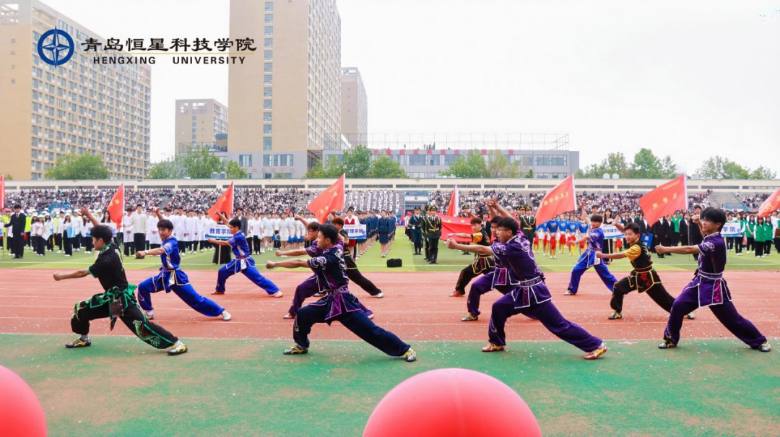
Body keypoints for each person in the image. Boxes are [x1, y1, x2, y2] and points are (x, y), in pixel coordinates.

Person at [445, 202, 607, 360]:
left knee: (559, 325)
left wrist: (457, 246)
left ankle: (596, 345)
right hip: (522, 290)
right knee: (499, 307)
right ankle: (496, 342)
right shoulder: (519, 237)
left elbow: (482, 249)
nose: (495, 233)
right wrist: (497, 207)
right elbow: (512, 221)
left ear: (508, 233)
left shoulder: (510, 247)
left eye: (499, 231)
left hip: (535, 292)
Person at [266, 224, 417, 362]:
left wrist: (275, 264)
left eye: (319, 237)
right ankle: (301, 345)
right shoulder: (337, 246)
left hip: (344, 302)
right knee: (303, 314)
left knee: (372, 331)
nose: (316, 240)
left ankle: (405, 349)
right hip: (329, 300)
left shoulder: (327, 258)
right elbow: (339, 237)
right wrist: (328, 226)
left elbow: (299, 262)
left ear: (327, 240)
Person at [52, 207, 187, 355]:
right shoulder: (112, 245)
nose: (92, 242)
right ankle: (84, 338)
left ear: (100, 240)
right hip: (110, 298)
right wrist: (89, 215)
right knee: (82, 309)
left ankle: (177, 343)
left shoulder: (106, 260)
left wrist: (61, 276)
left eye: (93, 239)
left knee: (142, 326)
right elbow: (100, 229)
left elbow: (82, 272)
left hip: (123, 300)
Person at [656, 207, 770, 353]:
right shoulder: (710, 237)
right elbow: (704, 235)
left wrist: (666, 249)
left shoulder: (716, 242)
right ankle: (670, 339)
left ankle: (759, 340)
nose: (704, 222)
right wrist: (699, 224)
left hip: (713, 287)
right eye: (703, 219)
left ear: (718, 224)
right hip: (699, 282)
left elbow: (690, 249)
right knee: (678, 305)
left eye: (707, 220)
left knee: (732, 319)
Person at [136, 209, 231, 321]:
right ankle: (149, 312)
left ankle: (222, 311)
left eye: (163, 230)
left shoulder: (171, 242)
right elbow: (165, 223)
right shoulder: (167, 237)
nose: (161, 232)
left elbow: (161, 250)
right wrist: (158, 214)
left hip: (176, 277)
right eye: (159, 230)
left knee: (196, 299)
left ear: (170, 231)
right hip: (164, 275)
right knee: (143, 287)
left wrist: (145, 252)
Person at [596, 220, 695, 320]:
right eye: (626, 234)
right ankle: (617, 311)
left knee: (666, 301)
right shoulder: (635, 240)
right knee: (618, 287)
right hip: (637, 275)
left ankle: (686, 310)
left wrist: (602, 255)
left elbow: (620, 255)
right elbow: (625, 231)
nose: (627, 237)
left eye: (629, 234)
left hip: (649, 277)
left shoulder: (636, 248)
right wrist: (616, 224)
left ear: (637, 235)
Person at [208, 214, 282, 297]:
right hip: (237, 261)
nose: (229, 228)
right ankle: (220, 290)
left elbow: (224, 243)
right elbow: (227, 223)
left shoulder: (239, 236)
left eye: (231, 227)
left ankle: (276, 290)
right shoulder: (237, 232)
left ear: (236, 227)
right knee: (222, 271)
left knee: (257, 278)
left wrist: (212, 240)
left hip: (245, 262)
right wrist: (219, 214)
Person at [565, 201, 618, 296]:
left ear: (599, 223)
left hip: (597, 256)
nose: (593, 223)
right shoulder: (592, 226)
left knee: (606, 275)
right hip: (588, 253)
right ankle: (572, 289)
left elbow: (587, 238)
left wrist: (575, 242)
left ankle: (619, 289)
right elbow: (585, 217)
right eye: (592, 221)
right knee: (576, 270)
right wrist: (583, 207)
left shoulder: (599, 232)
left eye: (595, 222)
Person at [448, 217, 495, 300]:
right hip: (487, 259)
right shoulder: (483, 231)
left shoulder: (480, 234)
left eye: (475, 225)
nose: (473, 227)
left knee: (466, 272)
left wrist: (454, 234)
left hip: (484, 260)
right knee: (494, 279)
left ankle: (459, 290)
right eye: (472, 225)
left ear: (480, 225)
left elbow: (465, 235)